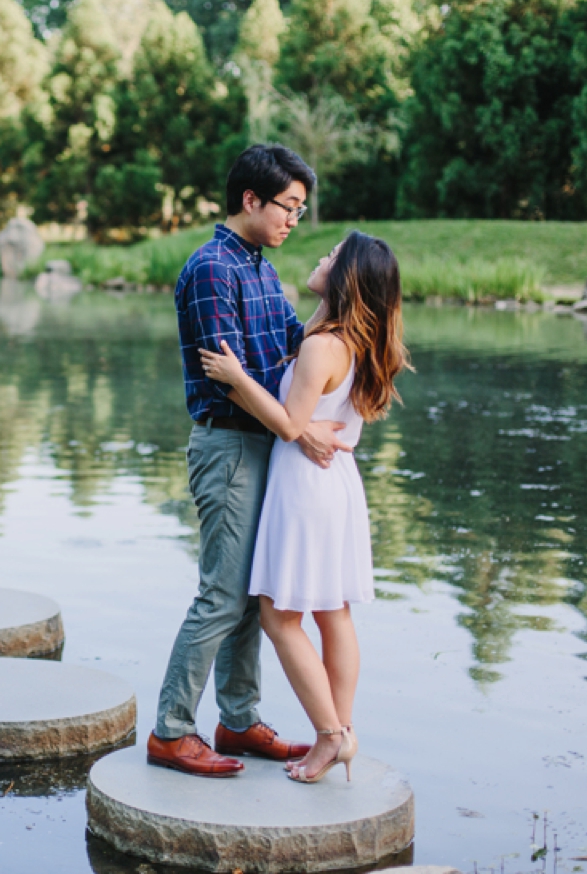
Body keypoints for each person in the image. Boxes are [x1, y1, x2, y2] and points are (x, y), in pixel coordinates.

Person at [147, 145, 354, 778]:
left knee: (251, 591)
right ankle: (170, 731)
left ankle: (237, 722)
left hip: (266, 444)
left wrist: (337, 297)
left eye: (300, 208)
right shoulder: (213, 268)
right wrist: (298, 430)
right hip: (231, 444)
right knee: (221, 593)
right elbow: (233, 381)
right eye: (289, 207)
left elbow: (293, 348)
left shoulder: (260, 268)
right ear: (250, 201)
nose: (295, 219)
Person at [200, 230, 411, 783]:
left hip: (306, 487)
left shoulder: (323, 345)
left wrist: (236, 378)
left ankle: (330, 735)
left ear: (347, 278)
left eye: (334, 256)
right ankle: (343, 728)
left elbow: (291, 425)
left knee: (279, 615)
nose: (323, 257)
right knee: (333, 612)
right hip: (336, 482)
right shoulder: (354, 339)